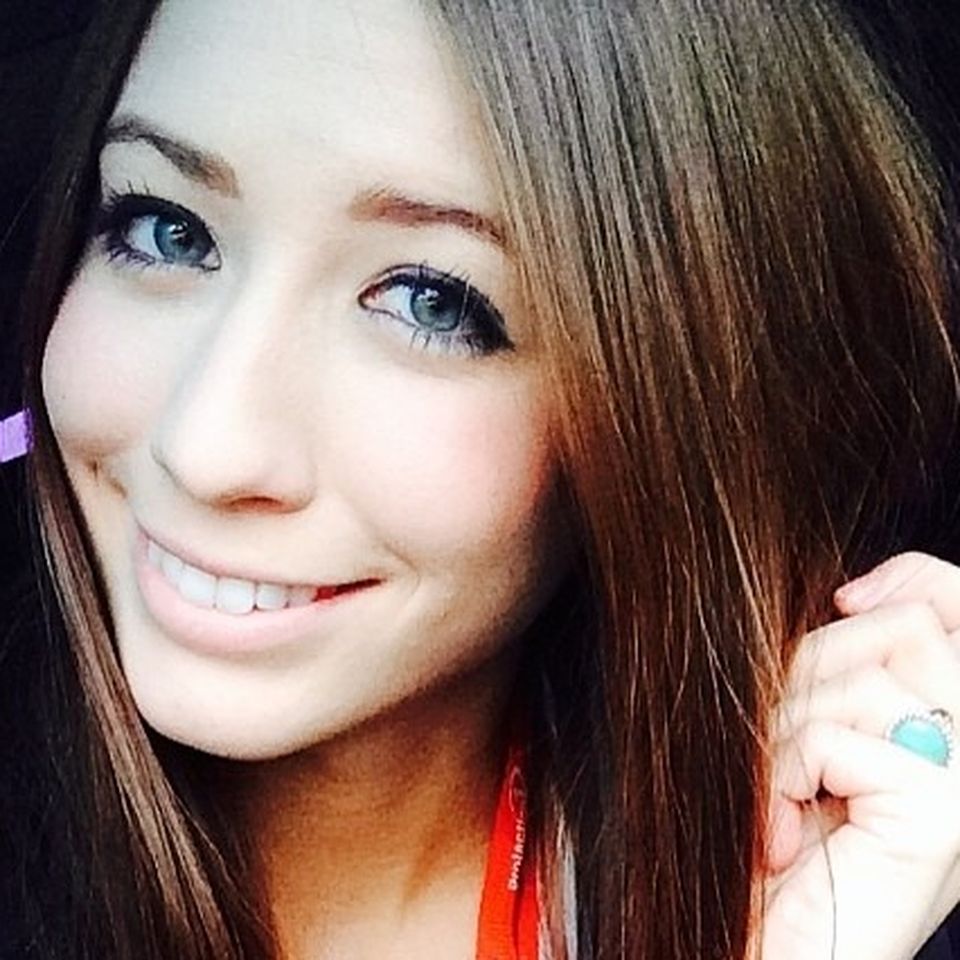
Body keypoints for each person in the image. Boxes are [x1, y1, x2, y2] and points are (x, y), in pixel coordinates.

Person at [2, 0, 960, 957]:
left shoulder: (794, 868)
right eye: (166, 230)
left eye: (431, 301)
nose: (205, 449)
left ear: (676, 406)